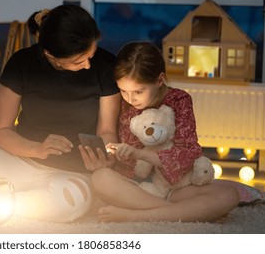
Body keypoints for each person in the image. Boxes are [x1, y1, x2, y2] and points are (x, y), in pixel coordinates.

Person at [0, 4, 120, 223]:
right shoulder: (21, 63)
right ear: (49, 54)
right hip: (19, 160)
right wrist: (37, 148)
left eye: (91, 54)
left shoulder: (106, 66)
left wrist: (105, 158)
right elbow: (1, 131)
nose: (88, 65)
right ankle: (6, 200)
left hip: (74, 172)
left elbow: (108, 131)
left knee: (69, 202)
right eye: (78, 61)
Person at [90, 42, 240, 222]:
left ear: (160, 80)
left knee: (229, 194)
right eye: (123, 90)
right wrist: (112, 156)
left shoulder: (179, 100)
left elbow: (188, 152)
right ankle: (184, 212)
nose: (130, 98)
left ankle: (135, 216)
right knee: (100, 178)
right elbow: (109, 138)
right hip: (133, 187)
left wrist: (141, 154)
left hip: (174, 187)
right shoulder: (120, 102)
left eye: (139, 91)